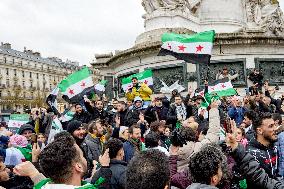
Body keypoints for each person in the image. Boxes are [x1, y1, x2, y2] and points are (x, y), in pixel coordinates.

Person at [34, 133, 111, 188]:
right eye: (82, 156)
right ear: (79, 167)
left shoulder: (42, 185)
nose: (84, 158)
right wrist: (105, 167)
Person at [177, 100, 220, 171]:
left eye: (190, 122)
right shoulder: (198, 148)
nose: (189, 124)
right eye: (188, 122)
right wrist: (214, 110)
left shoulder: (172, 149)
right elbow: (213, 133)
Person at [246, 112, 279, 186]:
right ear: (259, 130)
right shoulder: (250, 154)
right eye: (271, 126)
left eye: (275, 125)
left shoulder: (275, 147)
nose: (275, 129)